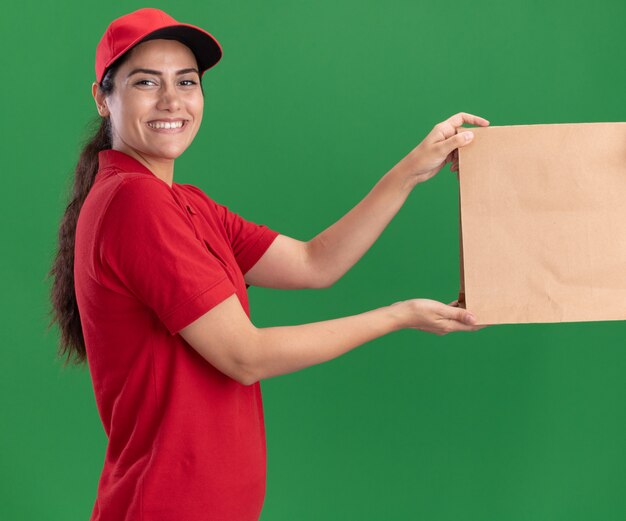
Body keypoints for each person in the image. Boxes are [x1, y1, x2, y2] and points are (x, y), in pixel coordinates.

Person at [47, 7, 489, 521]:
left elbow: (313, 262)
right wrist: (400, 316)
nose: (172, 101)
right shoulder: (134, 204)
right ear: (103, 98)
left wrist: (412, 169)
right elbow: (245, 355)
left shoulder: (182, 203)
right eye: (146, 82)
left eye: (186, 82)